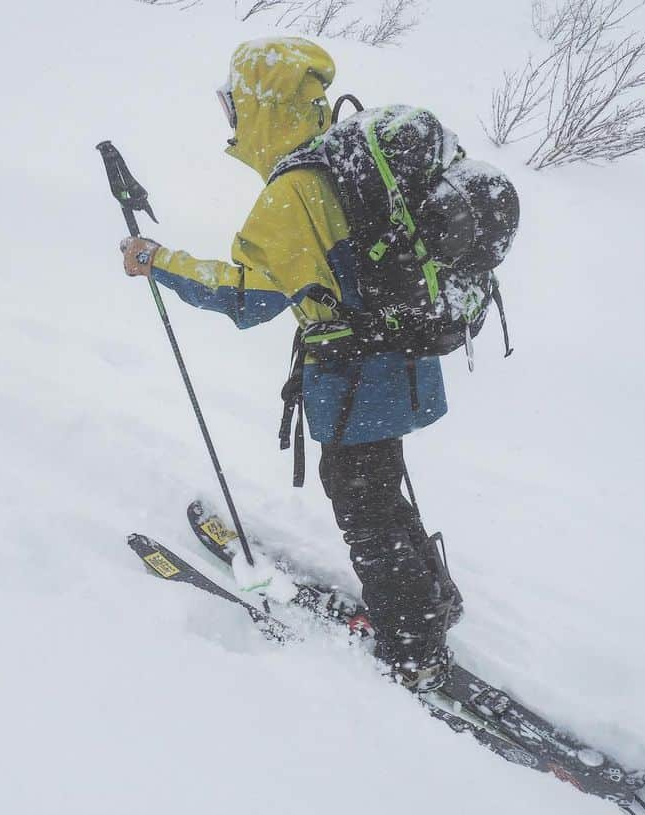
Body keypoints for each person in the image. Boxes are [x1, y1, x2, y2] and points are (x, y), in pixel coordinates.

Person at [118, 38, 461, 691]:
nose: (232, 122)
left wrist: (159, 260)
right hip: (405, 356)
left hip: (355, 371)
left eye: (235, 106)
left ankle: (415, 646)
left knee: (362, 498)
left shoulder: (294, 193)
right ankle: (432, 600)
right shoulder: (349, 151)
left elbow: (246, 297)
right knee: (381, 486)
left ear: (260, 108)